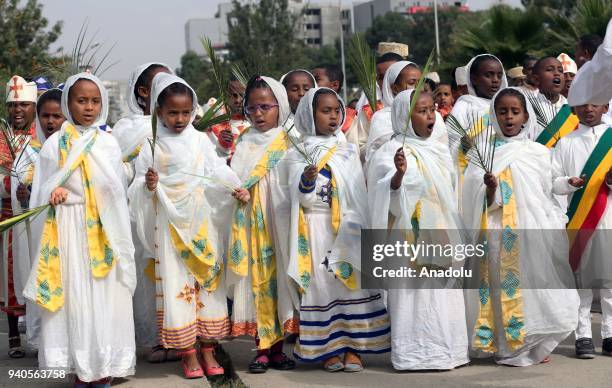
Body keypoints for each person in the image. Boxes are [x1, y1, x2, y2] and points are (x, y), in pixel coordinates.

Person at [23, 72, 136, 387]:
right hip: (68, 233)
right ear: (67, 103)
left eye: (95, 101)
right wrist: (53, 194)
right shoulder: (54, 146)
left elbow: (115, 191)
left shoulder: (108, 144)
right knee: (75, 300)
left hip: (104, 233)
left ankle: (102, 368)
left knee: (104, 299)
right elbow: (39, 197)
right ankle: (78, 366)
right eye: (81, 100)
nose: (88, 107)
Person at [129, 73, 240, 379]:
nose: (179, 119)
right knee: (178, 286)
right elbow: (139, 185)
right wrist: (148, 186)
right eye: (172, 112)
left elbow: (216, 172)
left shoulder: (200, 141)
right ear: (159, 113)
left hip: (201, 224)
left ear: (193, 111)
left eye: (185, 112)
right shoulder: (152, 145)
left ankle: (208, 347)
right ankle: (188, 353)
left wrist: (236, 188)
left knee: (207, 284)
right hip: (170, 228)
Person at [462, 87, 579, 366]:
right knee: (501, 283)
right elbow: (472, 197)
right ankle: (505, 345)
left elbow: (550, 184)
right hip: (497, 228)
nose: (509, 117)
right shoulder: (484, 152)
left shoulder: (537, 152)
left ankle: (533, 342)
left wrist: (568, 183)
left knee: (531, 282)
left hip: (531, 226)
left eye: (515, 112)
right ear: (494, 115)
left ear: (526, 115)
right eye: (503, 112)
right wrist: (489, 190)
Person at [288, 87, 390, 371]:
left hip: (348, 226)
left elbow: (357, 190)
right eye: (325, 111)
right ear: (310, 114)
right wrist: (307, 180)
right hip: (316, 228)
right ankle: (328, 349)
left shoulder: (346, 148)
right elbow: (300, 198)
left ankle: (354, 348)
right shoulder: (298, 150)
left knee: (352, 287)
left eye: (337, 111)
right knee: (321, 287)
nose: (333, 116)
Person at [368, 89, 469, 370]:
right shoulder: (390, 151)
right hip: (406, 236)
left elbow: (449, 191)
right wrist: (398, 176)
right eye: (421, 110)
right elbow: (382, 197)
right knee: (413, 295)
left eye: (431, 109)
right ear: (404, 116)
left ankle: (449, 352)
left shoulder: (437, 149)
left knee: (442, 294)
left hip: (440, 230)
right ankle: (414, 355)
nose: (429, 116)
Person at [228, 76, 298, 373]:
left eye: (265, 107)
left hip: (278, 220)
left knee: (281, 281)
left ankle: (279, 348)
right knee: (257, 283)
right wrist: (239, 190)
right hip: (251, 223)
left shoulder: (290, 138)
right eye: (252, 107)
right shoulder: (244, 140)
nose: (258, 113)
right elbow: (234, 175)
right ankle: (261, 348)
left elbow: (294, 180)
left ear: (279, 106)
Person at [111, 63, 178, 364]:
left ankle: (182, 336)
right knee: (149, 277)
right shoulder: (126, 130)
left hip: (176, 213)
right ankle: (154, 338)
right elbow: (115, 173)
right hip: (142, 215)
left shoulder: (182, 125)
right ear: (143, 91)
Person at [552, 100, 612, 359]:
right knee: (581, 281)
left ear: (606, 107)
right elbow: (553, 181)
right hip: (577, 219)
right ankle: (583, 335)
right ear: (574, 108)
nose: (589, 109)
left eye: (595, 104)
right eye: (583, 105)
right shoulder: (566, 142)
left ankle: (609, 334)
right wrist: (569, 182)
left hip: (609, 217)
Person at [13, 87, 65, 351]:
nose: (51, 122)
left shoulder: (73, 148)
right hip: (39, 230)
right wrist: (22, 193)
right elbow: (21, 187)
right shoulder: (30, 151)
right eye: (46, 116)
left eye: (57, 116)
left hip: (68, 228)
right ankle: (45, 343)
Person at [1, 75, 37, 359]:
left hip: (37, 218)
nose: (18, 110)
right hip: (9, 218)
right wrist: (11, 186)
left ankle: (39, 334)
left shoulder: (44, 136)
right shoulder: (2, 137)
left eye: (24, 104)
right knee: (11, 278)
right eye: (13, 105)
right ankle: (14, 335)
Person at [446, 54, 507, 211]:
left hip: (505, 170)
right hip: (474, 175)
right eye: (488, 75)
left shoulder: (506, 105)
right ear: (473, 78)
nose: (495, 80)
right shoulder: (464, 106)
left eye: (499, 75)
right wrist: (466, 144)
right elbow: (452, 144)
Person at [363, 61, 422, 165]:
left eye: (421, 83)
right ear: (395, 88)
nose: (418, 89)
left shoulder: (433, 115)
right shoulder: (382, 118)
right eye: (412, 83)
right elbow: (375, 158)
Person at [527, 57, 579, 148]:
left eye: (560, 70)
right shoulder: (528, 107)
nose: (557, 74)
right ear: (536, 79)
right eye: (549, 70)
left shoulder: (574, 109)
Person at [208, 76, 250, 160]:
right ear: (225, 96)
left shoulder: (256, 126)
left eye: (242, 95)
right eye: (233, 95)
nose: (238, 100)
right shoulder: (212, 125)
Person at [311, 64, 355, 133]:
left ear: (335, 85)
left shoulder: (350, 118)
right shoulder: (304, 114)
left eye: (316, 80)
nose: (310, 85)